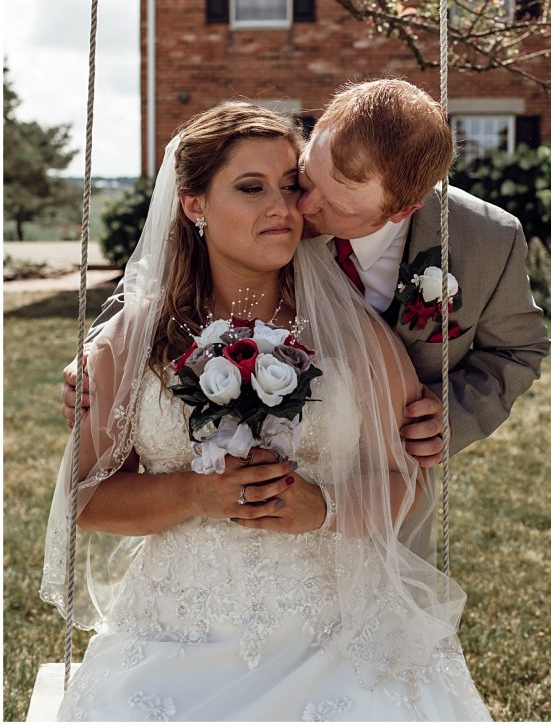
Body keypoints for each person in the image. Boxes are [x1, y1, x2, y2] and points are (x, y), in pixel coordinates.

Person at [44, 102, 491, 719]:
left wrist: (327, 507)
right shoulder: (132, 342)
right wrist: (196, 495)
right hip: (176, 631)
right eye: (251, 188)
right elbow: (84, 500)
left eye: (289, 186)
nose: (282, 209)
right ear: (194, 204)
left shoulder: (353, 334)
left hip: (336, 631)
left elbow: (408, 484)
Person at [65, 79, 550, 476]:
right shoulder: (273, 213)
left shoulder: (487, 240)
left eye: (335, 207)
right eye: (307, 178)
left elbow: (517, 349)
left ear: (402, 210)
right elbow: (172, 272)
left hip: (388, 477)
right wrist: (97, 360)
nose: (301, 208)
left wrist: (452, 417)